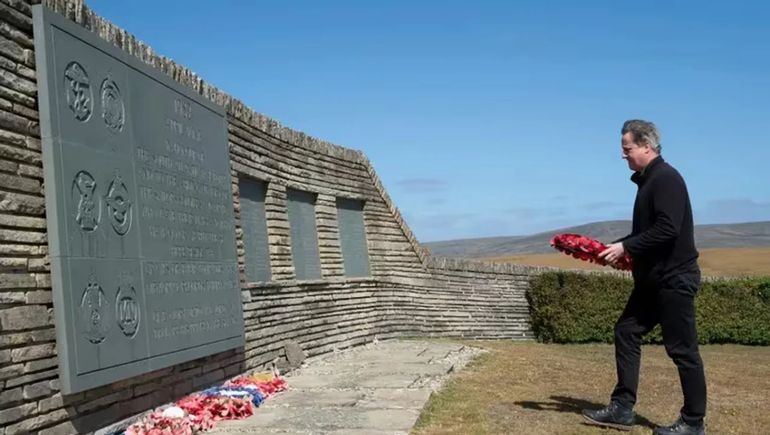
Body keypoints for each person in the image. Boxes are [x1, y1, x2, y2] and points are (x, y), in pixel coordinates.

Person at [582, 120, 707, 435]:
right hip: (653, 280)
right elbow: (647, 234)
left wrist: (626, 245)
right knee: (626, 331)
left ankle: (694, 423)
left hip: (674, 278)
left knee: (682, 350)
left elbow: (668, 229)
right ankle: (622, 409)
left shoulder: (667, 179)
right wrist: (618, 249)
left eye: (627, 149)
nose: (623, 155)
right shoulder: (649, 182)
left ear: (646, 146)